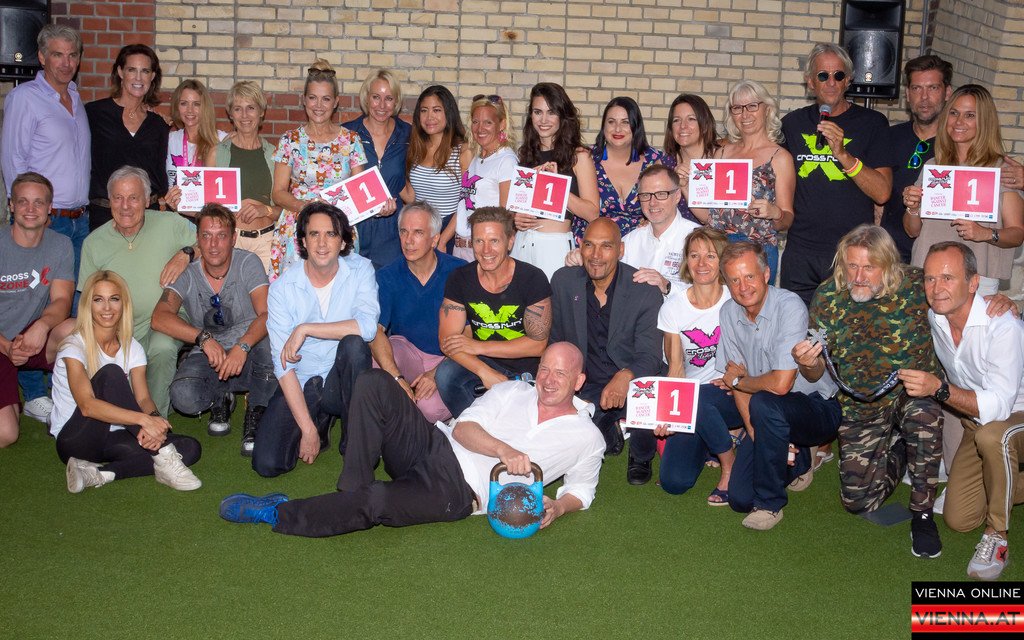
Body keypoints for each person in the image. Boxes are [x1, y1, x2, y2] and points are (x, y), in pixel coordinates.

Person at [219, 342, 604, 538]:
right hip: (435, 444)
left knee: (378, 501)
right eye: (544, 369)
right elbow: (464, 429)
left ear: (579, 381)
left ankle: (277, 513)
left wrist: (559, 507)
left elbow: (582, 489)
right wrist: (505, 450)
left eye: (560, 374)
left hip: (458, 490)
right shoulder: (512, 391)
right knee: (373, 382)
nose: (548, 380)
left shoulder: (587, 438)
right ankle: (351, 488)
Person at [793, 224, 943, 558]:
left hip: (910, 393)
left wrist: (998, 301)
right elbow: (816, 370)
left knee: (923, 413)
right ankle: (903, 451)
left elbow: (959, 298)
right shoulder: (827, 296)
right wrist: (806, 363)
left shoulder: (917, 284)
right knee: (858, 501)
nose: (858, 277)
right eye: (852, 266)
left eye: (869, 267)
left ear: (889, 265)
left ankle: (923, 514)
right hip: (860, 403)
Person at [900, 242, 1024, 580]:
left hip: (1010, 419)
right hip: (977, 425)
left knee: (993, 436)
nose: (936, 288)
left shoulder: (1003, 326)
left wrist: (938, 388)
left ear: (973, 283)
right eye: (929, 279)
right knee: (959, 519)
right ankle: (1004, 483)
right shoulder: (936, 316)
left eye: (948, 278)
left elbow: (998, 408)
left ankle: (997, 537)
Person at [706, 241, 841, 530]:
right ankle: (800, 458)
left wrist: (740, 380)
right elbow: (737, 384)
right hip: (767, 415)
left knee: (765, 401)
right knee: (740, 499)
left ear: (767, 274)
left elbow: (779, 385)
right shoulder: (728, 312)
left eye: (750, 276)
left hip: (816, 408)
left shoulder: (789, 306)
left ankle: (770, 505)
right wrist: (755, 434)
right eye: (734, 280)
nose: (743, 287)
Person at [0, 25, 89, 423]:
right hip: (43, 219)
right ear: (41, 57)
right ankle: (34, 393)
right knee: (29, 300)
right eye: (57, 54)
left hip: (79, 219)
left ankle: (59, 385)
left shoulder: (75, 97)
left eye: (72, 55)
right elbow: (13, 161)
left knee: (67, 306)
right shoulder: (25, 98)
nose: (66, 62)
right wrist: (29, 214)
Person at [252, 203, 377, 478]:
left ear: (343, 241)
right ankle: (319, 421)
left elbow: (368, 328)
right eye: (314, 234)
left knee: (355, 345)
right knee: (267, 463)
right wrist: (307, 430)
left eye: (331, 234)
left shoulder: (361, 270)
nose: (322, 243)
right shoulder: (282, 289)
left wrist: (306, 328)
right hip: (303, 378)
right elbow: (283, 365)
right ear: (303, 242)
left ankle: (354, 445)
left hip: (341, 378)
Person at [52, 270, 202, 493]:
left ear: (124, 304)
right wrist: (143, 421)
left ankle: (100, 474)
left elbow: (143, 398)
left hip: (114, 436)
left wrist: (154, 421)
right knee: (110, 374)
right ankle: (162, 455)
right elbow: (87, 406)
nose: (107, 308)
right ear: (87, 305)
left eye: (114, 299)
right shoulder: (73, 346)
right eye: (98, 300)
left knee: (189, 448)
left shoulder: (132, 347)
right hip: (76, 440)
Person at [151, 204, 276, 456]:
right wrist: (203, 338)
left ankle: (256, 408)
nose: (214, 244)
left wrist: (243, 345)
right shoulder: (187, 272)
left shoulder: (247, 262)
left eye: (221, 235)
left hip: (249, 351)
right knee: (183, 397)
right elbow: (159, 317)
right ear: (197, 239)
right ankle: (222, 396)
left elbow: (266, 314)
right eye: (206, 235)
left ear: (233, 238)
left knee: (272, 348)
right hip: (210, 353)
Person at [550, 218, 664, 484]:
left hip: (633, 379)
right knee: (573, 436)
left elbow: (651, 356)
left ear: (620, 249)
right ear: (580, 246)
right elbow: (556, 341)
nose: (596, 255)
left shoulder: (644, 291)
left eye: (606, 246)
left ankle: (640, 454)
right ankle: (609, 426)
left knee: (647, 399)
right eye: (589, 245)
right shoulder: (564, 281)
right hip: (586, 382)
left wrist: (625, 376)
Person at [78, 166, 197, 417]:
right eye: (118, 198)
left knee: (162, 348)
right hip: (117, 327)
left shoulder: (170, 223)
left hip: (168, 318)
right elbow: (87, 302)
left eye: (133, 198)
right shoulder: (93, 243)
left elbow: (209, 243)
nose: (125, 206)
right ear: (109, 201)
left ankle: (156, 423)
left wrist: (186, 253)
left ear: (146, 200)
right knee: (124, 399)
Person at [780, 42, 891, 305]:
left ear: (848, 81)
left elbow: (882, 193)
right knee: (797, 326)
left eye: (838, 75)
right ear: (810, 82)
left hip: (851, 255)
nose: (831, 82)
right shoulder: (792, 124)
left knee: (847, 329)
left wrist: (843, 154)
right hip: (801, 253)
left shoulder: (872, 123)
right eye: (823, 75)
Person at [903, 84, 1024, 297]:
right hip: (929, 273)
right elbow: (913, 231)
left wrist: (985, 233)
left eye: (970, 115)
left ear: (984, 121)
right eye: (954, 113)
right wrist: (912, 207)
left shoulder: (1001, 170)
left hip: (978, 279)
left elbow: (1017, 234)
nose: (959, 122)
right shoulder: (934, 166)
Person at [435, 206, 552, 419]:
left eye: (494, 241)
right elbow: (447, 341)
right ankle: (476, 425)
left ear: (510, 241)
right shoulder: (459, 278)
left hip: (527, 368)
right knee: (446, 374)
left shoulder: (532, 278)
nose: (486, 250)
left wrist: (479, 346)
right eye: (479, 241)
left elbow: (538, 345)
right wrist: (485, 372)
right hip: (483, 363)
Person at [268, 60, 370, 279]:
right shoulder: (290, 140)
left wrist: (379, 205)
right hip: (298, 228)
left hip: (337, 230)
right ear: (304, 100)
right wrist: (304, 206)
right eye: (313, 97)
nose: (318, 105)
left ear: (336, 102)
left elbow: (359, 193)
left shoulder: (351, 140)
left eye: (326, 99)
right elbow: (278, 193)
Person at [656, 228, 735, 504]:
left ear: (723, 260)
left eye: (711, 255)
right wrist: (668, 413)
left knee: (699, 397)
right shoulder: (673, 308)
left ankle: (729, 464)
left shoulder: (735, 298)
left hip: (734, 392)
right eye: (694, 255)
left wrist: (738, 380)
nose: (702, 263)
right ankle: (712, 439)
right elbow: (676, 370)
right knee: (674, 482)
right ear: (686, 261)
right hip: (693, 400)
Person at [370, 201, 466, 422]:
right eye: (404, 231)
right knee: (377, 360)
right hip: (408, 351)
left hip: (449, 356)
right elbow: (375, 331)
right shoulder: (387, 275)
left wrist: (437, 373)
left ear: (434, 239)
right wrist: (396, 378)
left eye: (418, 233)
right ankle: (390, 413)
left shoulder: (459, 272)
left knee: (428, 410)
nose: (408, 240)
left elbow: (470, 336)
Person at [0, 173, 75, 446]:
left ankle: (71, 406)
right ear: (11, 205)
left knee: (76, 328)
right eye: (23, 201)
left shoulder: (61, 244)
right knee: (6, 434)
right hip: (1, 342)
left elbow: (62, 301)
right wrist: (6, 346)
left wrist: (42, 326)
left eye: (38, 202)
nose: (30, 209)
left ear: (49, 207)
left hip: (29, 339)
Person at [702, 81, 794, 282]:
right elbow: (709, 214)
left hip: (758, 251)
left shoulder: (780, 157)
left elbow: (786, 220)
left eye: (752, 106)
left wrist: (775, 213)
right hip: (718, 248)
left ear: (767, 110)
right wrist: (685, 187)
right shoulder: (721, 154)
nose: (745, 114)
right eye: (737, 108)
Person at [511, 82, 600, 279]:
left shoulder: (579, 156)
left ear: (562, 115)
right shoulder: (526, 155)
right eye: (537, 112)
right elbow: (518, 205)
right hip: (521, 244)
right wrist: (516, 218)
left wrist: (555, 184)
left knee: (554, 299)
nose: (543, 120)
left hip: (554, 246)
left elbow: (593, 213)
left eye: (551, 112)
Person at [878, 56, 953, 262]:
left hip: (940, 258)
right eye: (917, 88)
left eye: (933, 88)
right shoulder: (889, 137)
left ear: (947, 93)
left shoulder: (959, 145)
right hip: (890, 257)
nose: (924, 97)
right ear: (908, 95)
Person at [86, 44, 169, 231]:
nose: (138, 78)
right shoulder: (95, 114)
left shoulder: (158, 125)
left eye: (145, 71)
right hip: (105, 217)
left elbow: (160, 176)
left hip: (147, 218)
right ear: (120, 72)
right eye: (132, 70)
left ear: (152, 76)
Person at [206, 81, 281, 272]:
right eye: (238, 109)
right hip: (230, 242)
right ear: (230, 114)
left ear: (261, 112)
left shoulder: (275, 155)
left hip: (266, 243)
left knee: (266, 293)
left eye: (251, 108)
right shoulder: (217, 153)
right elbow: (207, 209)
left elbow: (284, 211)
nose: (245, 115)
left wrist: (265, 210)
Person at [576, 96, 665, 244]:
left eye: (625, 122)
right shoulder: (587, 159)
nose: (618, 129)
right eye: (611, 122)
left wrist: (652, 220)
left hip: (639, 246)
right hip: (594, 246)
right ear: (604, 126)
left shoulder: (654, 161)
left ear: (636, 126)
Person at [343, 69, 407, 269]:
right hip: (353, 229)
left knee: (386, 286)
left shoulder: (408, 135)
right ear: (366, 98)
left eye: (389, 98)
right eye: (376, 97)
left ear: (396, 102)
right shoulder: (347, 133)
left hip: (392, 232)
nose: (382, 105)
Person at [401, 85, 473, 252]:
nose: (429, 117)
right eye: (424, 110)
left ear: (449, 113)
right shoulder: (415, 148)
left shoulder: (464, 151)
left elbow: (466, 203)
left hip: (449, 231)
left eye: (436, 110)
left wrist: (443, 239)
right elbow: (411, 197)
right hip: (420, 229)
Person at [452, 95, 517, 261]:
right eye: (475, 122)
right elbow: (464, 205)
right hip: (461, 248)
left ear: (501, 124)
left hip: (484, 251)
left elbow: (506, 216)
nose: (480, 128)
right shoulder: (478, 156)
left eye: (488, 122)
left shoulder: (506, 160)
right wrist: (444, 239)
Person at [621, 165, 701, 293]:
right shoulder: (630, 241)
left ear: (677, 196)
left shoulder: (698, 239)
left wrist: (668, 286)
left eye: (661, 194)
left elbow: (710, 293)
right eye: (645, 195)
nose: (652, 203)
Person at [662, 93, 718, 225]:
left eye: (691, 119)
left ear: (705, 124)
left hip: (718, 236)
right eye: (676, 120)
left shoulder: (724, 159)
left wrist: (685, 188)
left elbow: (714, 220)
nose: (683, 126)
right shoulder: (664, 166)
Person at [164, 79, 228, 190]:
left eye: (196, 104)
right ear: (177, 107)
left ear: (205, 108)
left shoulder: (222, 140)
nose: (190, 110)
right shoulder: (169, 140)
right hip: (175, 201)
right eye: (184, 103)